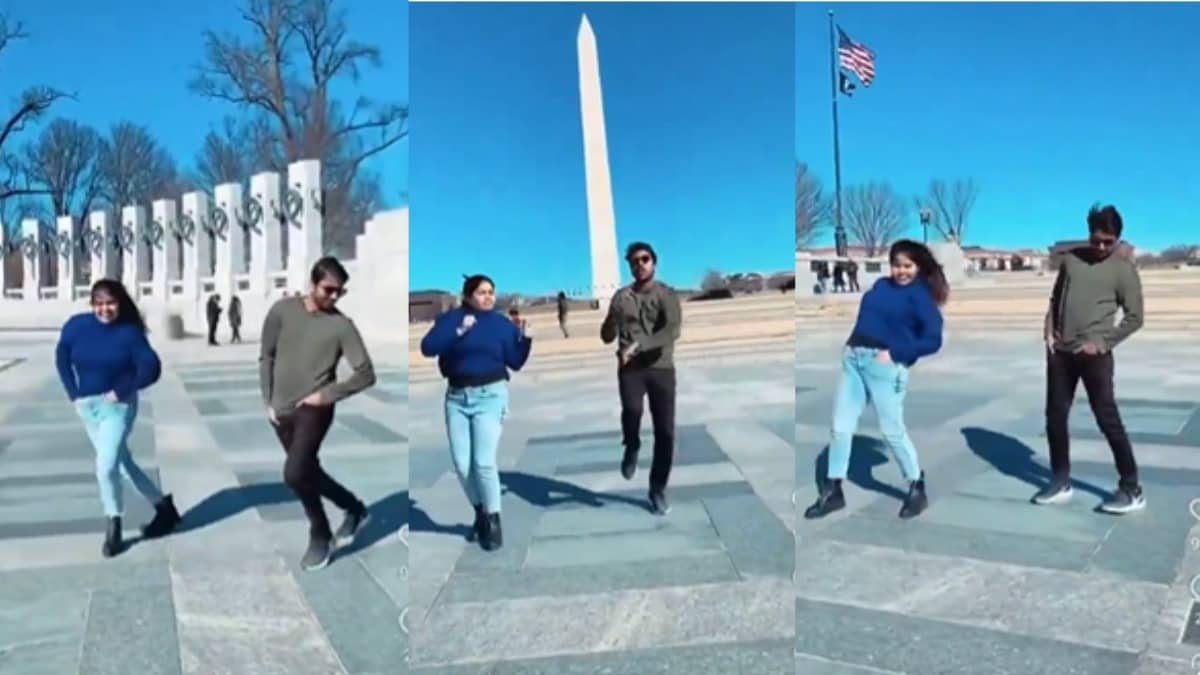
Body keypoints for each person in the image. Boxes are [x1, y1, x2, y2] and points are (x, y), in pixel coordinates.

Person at [805, 239, 948, 521]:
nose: (901, 271)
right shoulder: (881, 286)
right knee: (840, 427)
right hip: (853, 360)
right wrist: (850, 347)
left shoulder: (919, 296)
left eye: (907, 266)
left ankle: (916, 486)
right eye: (896, 265)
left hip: (884, 366)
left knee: (891, 430)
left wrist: (896, 353)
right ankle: (834, 490)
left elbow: (933, 339)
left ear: (918, 267)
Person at [259, 257, 377, 571]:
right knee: (309, 472)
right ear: (313, 284)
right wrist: (266, 400)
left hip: (315, 410)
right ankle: (354, 508)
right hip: (280, 410)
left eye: (340, 292)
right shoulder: (282, 311)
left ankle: (319, 532)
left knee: (295, 473)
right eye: (329, 290)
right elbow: (266, 356)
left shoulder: (342, 326)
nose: (334, 297)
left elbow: (365, 374)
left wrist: (325, 395)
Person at [55, 279, 182, 557]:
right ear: (92, 304)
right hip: (87, 407)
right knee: (122, 465)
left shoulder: (129, 333)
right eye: (99, 303)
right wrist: (73, 393)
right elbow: (62, 354)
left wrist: (122, 389)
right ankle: (164, 508)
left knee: (105, 467)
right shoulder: (77, 325)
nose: (105, 309)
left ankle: (114, 525)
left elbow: (151, 367)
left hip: (117, 407)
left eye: (110, 303)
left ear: (120, 303)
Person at [1036, 204, 1145, 514]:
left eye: (1108, 242)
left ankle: (1131, 488)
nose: (1100, 247)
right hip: (1060, 354)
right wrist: (1049, 332)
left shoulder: (1124, 270)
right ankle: (1060, 480)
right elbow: (1055, 299)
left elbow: (1135, 317)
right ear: (1089, 234)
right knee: (1055, 418)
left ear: (1117, 239)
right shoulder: (1071, 261)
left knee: (1107, 420)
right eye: (1096, 240)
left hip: (1095, 356)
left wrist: (1103, 343)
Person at [420, 274, 533, 551]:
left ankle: (493, 520)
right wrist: (458, 331)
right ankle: (480, 511)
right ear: (468, 295)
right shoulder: (450, 320)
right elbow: (428, 348)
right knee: (461, 464)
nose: (488, 297)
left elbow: (515, 362)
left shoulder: (500, 323)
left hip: (490, 395)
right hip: (457, 398)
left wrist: (524, 338)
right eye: (482, 292)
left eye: (491, 292)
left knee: (483, 462)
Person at [601, 242, 682, 515]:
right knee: (632, 411)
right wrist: (612, 321)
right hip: (631, 369)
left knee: (666, 433)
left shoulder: (666, 294)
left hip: (661, 367)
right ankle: (632, 445)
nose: (640, 264)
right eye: (634, 261)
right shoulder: (621, 297)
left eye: (645, 259)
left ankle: (657, 488)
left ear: (654, 262)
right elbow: (606, 336)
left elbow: (671, 331)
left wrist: (639, 345)